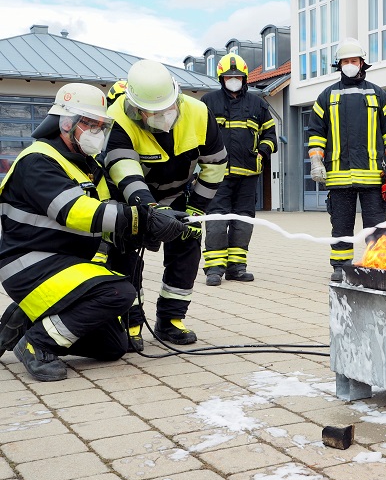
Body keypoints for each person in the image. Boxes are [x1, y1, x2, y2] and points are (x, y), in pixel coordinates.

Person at [0, 83, 187, 381]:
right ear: (65, 122)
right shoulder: (38, 162)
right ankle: (37, 344)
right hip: (30, 263)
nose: (96, 132)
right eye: (89, 124)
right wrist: (140, 219)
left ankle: (28, 318)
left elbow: (105, 221)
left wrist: (147, 229)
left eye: (101, 125)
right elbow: (76, 212)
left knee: (114, 346)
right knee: (118, 291)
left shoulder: (89, 167)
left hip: (65, 264)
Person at [104, 60, 228, 349]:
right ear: (136, 109)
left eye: (166, 109)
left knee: (187, 248)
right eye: (152, 113)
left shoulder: (198, 112)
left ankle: (170, 320)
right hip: (131, 198)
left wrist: (195, 210)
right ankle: (131, 321)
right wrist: (150, 212)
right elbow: (125, 172)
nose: (162, 116)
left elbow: (216, 166)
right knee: (125, 256)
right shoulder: (118, 119)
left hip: (178, 194)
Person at [307, 38, 386, 282]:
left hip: (372, 175)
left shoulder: (378, 94)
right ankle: (341, 266)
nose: (350, 65)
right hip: (338, 177)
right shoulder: (326, 97)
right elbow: (316, 134)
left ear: (362, 63)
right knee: (341, 225)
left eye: (354, 60)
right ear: (339, 65)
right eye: (345, 61)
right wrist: (316, 163)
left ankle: (380, 265)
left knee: (376, 224)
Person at [201, 54, 277, 286]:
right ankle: (214, 269)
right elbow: (197, 135)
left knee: (243, 221)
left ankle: (237, 267)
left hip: (248, 175)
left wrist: (262, 152)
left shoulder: (258, 104)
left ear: (244, 79)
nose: (233, 80)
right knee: (216, 220)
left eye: (237, 76)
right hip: (217, 174)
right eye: (228, 76)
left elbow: (270, 135)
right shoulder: (208, 102)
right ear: (221, 78)